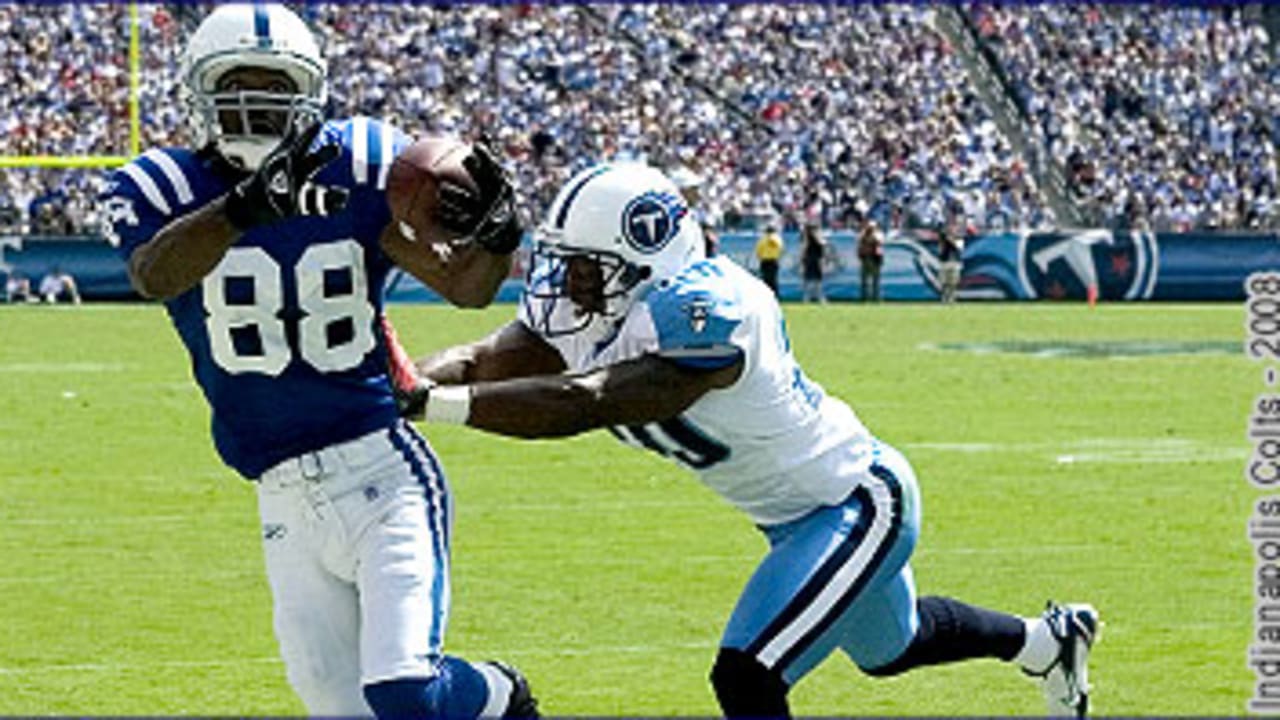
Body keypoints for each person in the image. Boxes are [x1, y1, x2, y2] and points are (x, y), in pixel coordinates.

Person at [394, 164, 1100, 718]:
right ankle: (1047, 642)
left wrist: (433, 404)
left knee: (747, 674)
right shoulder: (608, 299)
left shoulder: (711, 310)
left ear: (646, 259)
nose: (567, 284)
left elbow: (587, 401)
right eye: (566, 262)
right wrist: (393, 385)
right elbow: (488, 358)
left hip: (857, 502)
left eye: (585, 265)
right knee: (894, 649)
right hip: (791, 521)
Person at [98, 5, 536, 718]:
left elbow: (466, 287)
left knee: (405, 692)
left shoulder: (357, 163)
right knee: (341, 709)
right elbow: (155, 275)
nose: (257, 103)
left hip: (380, 467)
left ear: (310, 92)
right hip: (277, 488)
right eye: (238, 84)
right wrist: (243, 209)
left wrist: (498, 233)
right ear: (197, 92)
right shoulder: (159, 185)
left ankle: (500, 694)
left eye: (275, 86)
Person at [938, 212, 965, 303]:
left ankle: (952, 298)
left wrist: (951, 239)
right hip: (945, 259)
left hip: (954, 260)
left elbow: (959, 247)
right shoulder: (943, 235)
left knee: (953, 282)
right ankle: (944, 297)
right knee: (944, 281)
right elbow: (941, 246)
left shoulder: (959, 236)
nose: (951, 227)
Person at [856, 216, 884, 303]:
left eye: (872, 227)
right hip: (866, 258)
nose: (870, 228)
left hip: (875, 259)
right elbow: (859, 244)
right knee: (864, 280)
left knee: (875, 280)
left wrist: (872, 235)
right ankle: (864, 298)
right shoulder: (862, 234)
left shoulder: (878, 234)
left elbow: (879, 242)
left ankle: (876, 298)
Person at [799, 222, 826, 304]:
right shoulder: (810, 237)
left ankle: (814, 298)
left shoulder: (811, 237)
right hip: (812, 260)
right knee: (812, 280)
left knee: (814, 280)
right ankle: (811, 298)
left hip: (813, 260)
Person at [754, 222, 783, 296]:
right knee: (773, 279)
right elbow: (781, 249)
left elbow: (758, 252)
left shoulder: (762, 239)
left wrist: (761, 257)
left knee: (765, 280)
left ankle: (766, 295)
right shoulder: (777, 239)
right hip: (773, 260)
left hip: (765, 261)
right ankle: (775, 295)